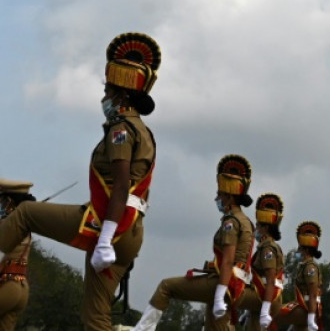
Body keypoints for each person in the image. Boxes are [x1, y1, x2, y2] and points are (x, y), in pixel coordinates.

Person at [0, 33, 159, 330]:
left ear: (121, 94)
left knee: (25, 213)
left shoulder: (121, 130)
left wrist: (106, 237)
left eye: (108, 90)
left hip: (108, 224)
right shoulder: (144, 131)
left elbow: (122, 186)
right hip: (130, 231)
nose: (105, 97)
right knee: (95, 318)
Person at [133, 154, 254, 331]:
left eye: (219, 194)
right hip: (236, 284)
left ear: (229, 196)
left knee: (166, 287)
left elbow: (228, 261)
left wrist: (219, 295)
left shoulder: (231, 222)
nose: (216, 198)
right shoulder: (245, 221)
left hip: (225, 283)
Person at [238, 192, 286, 330]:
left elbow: (270, 280)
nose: (256, 230)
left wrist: (265, 310)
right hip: (263, 295)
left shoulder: (268, 249)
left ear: (265, 228)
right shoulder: (265, 247)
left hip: (268, 297)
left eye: (258, 226)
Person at [274, 221, 323, 331]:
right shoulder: (304, 266)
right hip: (302, 305)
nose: (297, 251)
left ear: (305, 250)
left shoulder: (310, 267)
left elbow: (313, 294)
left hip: (307, 308)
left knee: (273, 313)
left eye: (299, 248)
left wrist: (311, 319)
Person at [0, 179, 35, 331]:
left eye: (2, 201)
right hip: (21, 287)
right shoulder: (23, 223)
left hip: (7, 284)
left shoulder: (11, 224)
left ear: (8, 202)